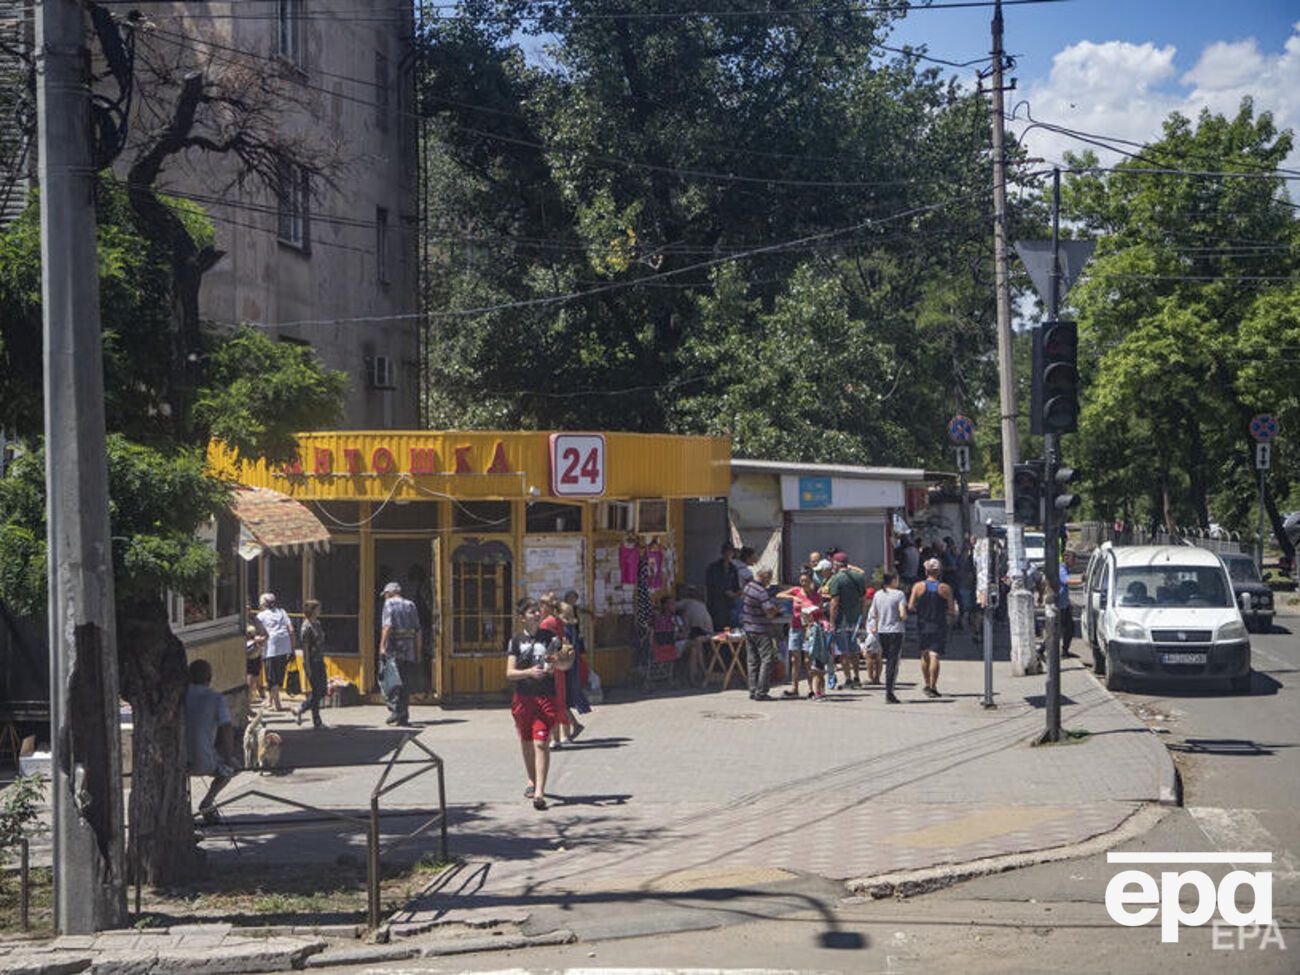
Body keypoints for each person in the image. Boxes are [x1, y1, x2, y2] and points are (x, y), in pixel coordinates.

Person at [506, 597, 574, 811]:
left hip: (545, 698)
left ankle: (539, 793)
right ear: (522, 618)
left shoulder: (551, 638)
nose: (537, 614)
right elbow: (509, 673)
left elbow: (562, 665)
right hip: (522, 699)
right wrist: (528, 672)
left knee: (541, 743)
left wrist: (566, 658)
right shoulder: (516, 641)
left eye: (538, 611)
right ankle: (532, 780)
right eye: (531, 612)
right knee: (526, 741)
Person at [185, 659, 236, 825]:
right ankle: (207, 802)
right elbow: (227, 728)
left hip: (178, 759)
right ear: (210, 678)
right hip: (203, 760)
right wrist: (228, 757)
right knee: (230, 770)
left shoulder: (179, 696)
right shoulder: (215, 698)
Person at [909, 558, 956, 697]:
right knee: (934, 654)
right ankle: (933, 686)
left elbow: (910, 606)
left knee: (924, 654)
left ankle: (926, 683)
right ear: (939, 571)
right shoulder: (945, 588)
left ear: (926, 571)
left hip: (922, 624)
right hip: (939, 625)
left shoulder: (918, 586)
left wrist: (920, 609)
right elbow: (952, 610)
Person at [379, 581, 423, 726]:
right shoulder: (411, 605)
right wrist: (418, 652)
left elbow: (387, 626)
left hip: (394, 647)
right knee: (405, 681)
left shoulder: (389, 604)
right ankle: (404, 715)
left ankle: (396, 710)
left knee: (392, 680)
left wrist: (382, 646)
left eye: (386, 594)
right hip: (409, 648)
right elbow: (418, 630)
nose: (385, 597)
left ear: (390, 593)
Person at [775, 568, 820, 699]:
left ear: (811, 581)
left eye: (806, 581)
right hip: (795, 628)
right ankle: (795, 688)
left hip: (808, 629)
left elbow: (819, 612)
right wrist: (793, 597)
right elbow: (779, 595)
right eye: (801, 580)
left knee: (808, 660)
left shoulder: (815, 595)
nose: (803, 583)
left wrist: (812, 615)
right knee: (794, 659)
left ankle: (811, 689)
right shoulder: (796, 590)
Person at [867, 572, 908, 704]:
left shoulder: (878, 594)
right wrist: (904, 616)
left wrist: (876, 625)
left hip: (882, 631)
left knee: (886, 659)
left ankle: (889, 690)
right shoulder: (899, 594)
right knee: (893, 662)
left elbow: (874, 613)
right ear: (893, 580)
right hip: (896, 630)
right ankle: (889, 692)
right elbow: (902, 614)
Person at [826, 552, 866, 689]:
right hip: (855, 618)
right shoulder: (859, 577)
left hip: (841, 619)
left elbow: (834, 603)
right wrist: (863, 617)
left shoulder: (836, 579)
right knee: (854, 649)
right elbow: (863, 599)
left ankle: (848, 679)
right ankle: (857, 677)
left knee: (843, 651)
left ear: (836, 564)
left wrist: (832, 622)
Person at [741, 566, 780, 700]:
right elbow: (769, 611)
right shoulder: (761, 591)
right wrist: (776, 609)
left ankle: (752, 689)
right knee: (767, 659)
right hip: (760, 629)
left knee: (752, 660)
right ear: (764, 576)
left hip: (748, 628)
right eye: (769, 578)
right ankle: (761, 691)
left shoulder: (748, 587)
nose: (770, 581)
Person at [254, 592, 295, 713]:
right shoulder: (282, 612)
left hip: (271, 646)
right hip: (284, 645)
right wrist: (292, 649)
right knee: (278, 674)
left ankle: (277, 704)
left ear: (263, 604)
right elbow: (291, 630)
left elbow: (258, 632)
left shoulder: (261, 616)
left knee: (272, 677)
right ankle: (270, 701)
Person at [295, 599, 328, 728]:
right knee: (317, 690)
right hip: (312, 662)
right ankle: (317, 721)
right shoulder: (306, 627)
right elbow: (305, 648)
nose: (320, 610)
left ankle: (301, 708)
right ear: (312, 610)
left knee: (322, 690)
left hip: (320, 660)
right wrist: (307, 665)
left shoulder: (318, 624)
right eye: (318, 608)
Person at [674, 586, 714, 685]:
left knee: (696, 645)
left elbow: (673, 606)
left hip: (699, 632)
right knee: (695, 647)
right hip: (705, 633)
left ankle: (700, 672)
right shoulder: (701, 604)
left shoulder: (687, 602)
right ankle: (700, 672)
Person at [705, 542, 740, 631]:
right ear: (722, 553)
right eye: (726, 552)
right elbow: (711, 584)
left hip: (730, 604)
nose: (728, 554)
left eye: (730, 552)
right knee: (718, 627)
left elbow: (736, 585)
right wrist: (725, 591)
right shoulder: (713, 568)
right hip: (717, 602)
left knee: (730, 627)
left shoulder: (733, 568)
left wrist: (737, 592)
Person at [244, 625, 265, 703]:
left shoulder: (254, 641)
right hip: (252, 661)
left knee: (252, 680)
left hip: (254, 661)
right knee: (251, 680)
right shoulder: (252, 642)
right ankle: (250, 698)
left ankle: (251, 697)